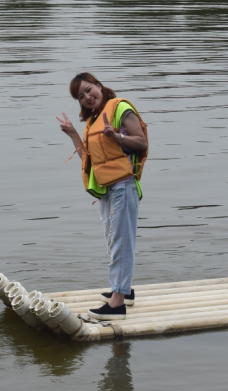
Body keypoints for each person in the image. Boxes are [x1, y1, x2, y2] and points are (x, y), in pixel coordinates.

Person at [57, 73, 148, 320]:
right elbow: (89, 160)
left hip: (124, 186)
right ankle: (124, 291)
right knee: (113, 240)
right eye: (81, 96)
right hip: (107, 190)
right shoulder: (93, 120)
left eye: (89, 89)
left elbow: (140, 142)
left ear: (99, 85)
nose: (87, 97)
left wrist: (116, 136)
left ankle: (117, 305)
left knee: (121, 243)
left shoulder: (120, 108)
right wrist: (74, 134)